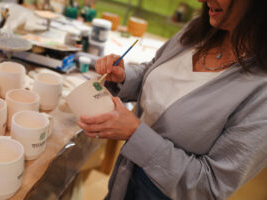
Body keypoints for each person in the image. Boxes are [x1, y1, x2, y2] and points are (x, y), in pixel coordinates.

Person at [78, 0, 267, 199]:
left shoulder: (261, 90)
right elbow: (153, 71)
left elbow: (210, 186)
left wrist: (136, 133)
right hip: (123, 182)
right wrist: (124, 77)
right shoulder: (200, 29)